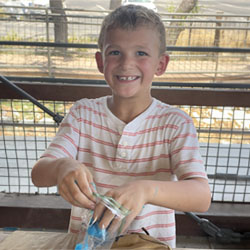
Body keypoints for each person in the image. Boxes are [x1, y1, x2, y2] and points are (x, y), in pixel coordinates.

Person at [31, 4, 211, 248]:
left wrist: (146, 190)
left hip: (150, 243)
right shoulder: (83, 114)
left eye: (141, 53)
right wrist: (62, 166)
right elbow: (39, 173)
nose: (127, 63)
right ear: (100, 61)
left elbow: (201, 197)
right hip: (88, 243)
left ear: (161, 64)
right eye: (115, 52)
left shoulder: (175, 123)